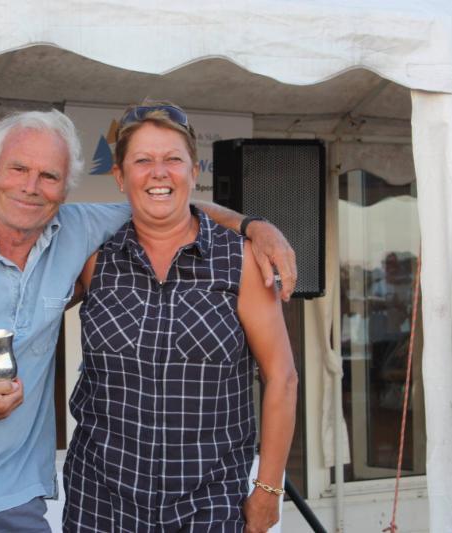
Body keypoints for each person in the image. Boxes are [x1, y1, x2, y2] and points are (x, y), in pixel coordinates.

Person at [0, 108, 295, 532]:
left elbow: (174, 204)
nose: (31, 186)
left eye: (49, 175)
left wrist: (258, 227)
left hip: (21, 504)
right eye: (18, 169)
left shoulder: (77, 236)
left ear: (65, 188)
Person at [63, 102, 298, 532]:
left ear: (193, 173)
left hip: (208, 506)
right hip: (100, 504)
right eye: (142, 161)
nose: (159, 172)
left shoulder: (241, 261)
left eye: (173, 160)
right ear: (120, 177)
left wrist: (268, 490)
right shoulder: (93, 258)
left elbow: (282, 377)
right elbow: (15, 264)